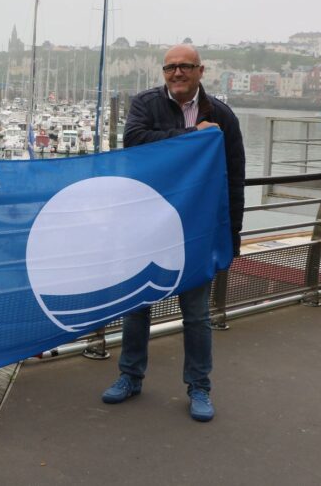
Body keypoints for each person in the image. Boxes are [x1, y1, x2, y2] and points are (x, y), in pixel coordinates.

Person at [101, 44, 245, 422]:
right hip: (147, 226)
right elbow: (134, 141)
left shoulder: (223, 116)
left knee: (196, 314)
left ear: (201, 71)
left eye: (185, 66)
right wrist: (192, 134)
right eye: (170, 67)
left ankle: (199, 386)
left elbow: (234, 178)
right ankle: (130, 376)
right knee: (137, 306)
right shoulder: (146, 104)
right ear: (163, 72)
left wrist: (232, 236)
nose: (177, 73)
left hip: (195, 230)